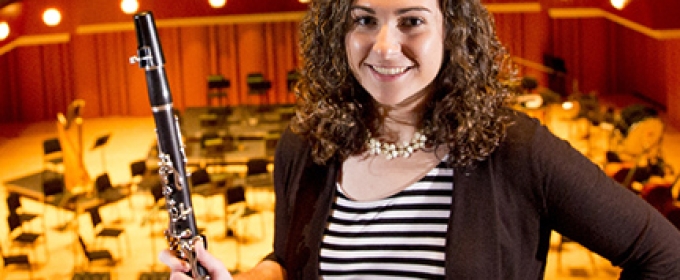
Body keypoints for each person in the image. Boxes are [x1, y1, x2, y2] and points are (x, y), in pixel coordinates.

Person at [161, 0, 680, 279]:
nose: (385, 48)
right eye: (364, 20)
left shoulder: (517, 150)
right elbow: (291, 262)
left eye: (412, 20)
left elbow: (664, 256)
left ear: (451, 30)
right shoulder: (305, 147)